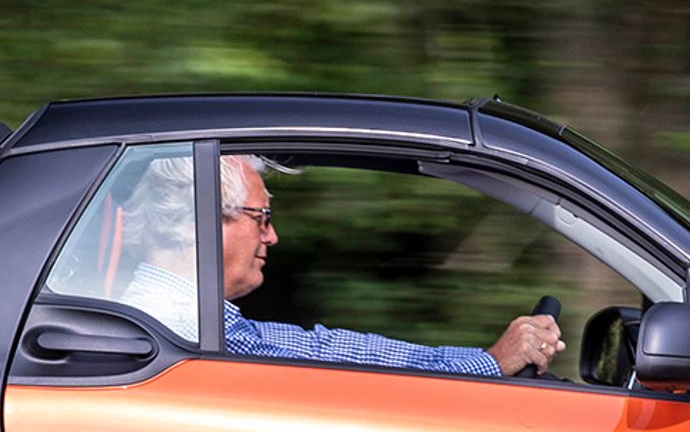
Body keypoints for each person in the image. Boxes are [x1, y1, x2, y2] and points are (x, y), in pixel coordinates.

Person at [113, 154, 562, 377]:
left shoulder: (191, 322)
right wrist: (488, 364)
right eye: (261, 218)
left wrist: (485, 361)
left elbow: (328, 348)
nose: (272, 236)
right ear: (200, 224)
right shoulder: (183, 331)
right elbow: (329, 363)